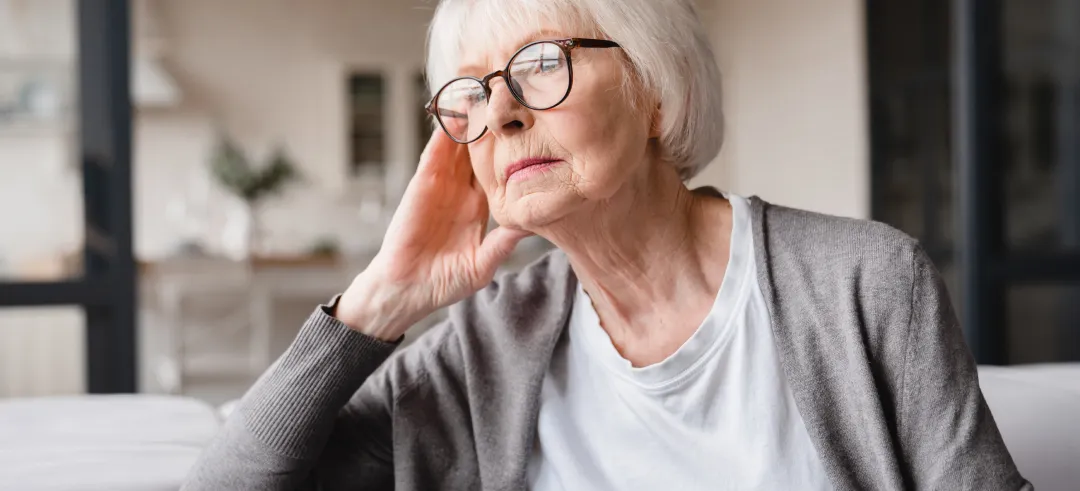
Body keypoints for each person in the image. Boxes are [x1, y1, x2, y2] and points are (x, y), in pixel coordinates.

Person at [184, 0, 1031, 489]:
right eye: (472, 92)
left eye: (542, 62)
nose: (504, 110)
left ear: (654, 93)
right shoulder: (482, 348)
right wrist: (379, 300)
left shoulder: (867, 283)